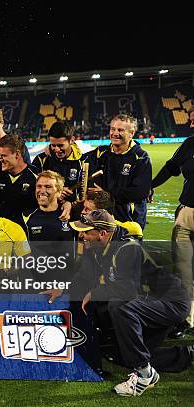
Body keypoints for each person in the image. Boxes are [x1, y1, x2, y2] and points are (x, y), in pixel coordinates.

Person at [51, 210, 191, 396]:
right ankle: (186, 354)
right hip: (148, 303)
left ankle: (143, 373)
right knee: (121, 354)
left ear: (102, 234)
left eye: (86, 231)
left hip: (171, 303)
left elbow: (127, 290)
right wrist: (64, 288)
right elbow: (84, 276)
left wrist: (94, 293)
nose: (81, 235)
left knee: (119, 305)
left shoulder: (126, 248)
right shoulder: (97, 248)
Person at [150, 105, 194, 334]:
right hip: (186, 214)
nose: (192, 122)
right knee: (183, 269)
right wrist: (150, 185)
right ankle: (187, 319)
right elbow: (171, 168)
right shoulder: (189, 143)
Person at [85, 114, 152, 230]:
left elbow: (140, 192)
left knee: (127, 248)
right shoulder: (101, 153)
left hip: (129, 221)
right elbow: (77, 159)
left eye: (120, 130)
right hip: (102, 218)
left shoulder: (141, 157)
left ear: (131, 133)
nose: (115, 133)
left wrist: (108, 194)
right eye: (113, 129)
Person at [22, 171, 77, 281]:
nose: (42, 191)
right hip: (36, 282)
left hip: (66, 283)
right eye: (39, 186)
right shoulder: (26, 217)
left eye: (48, 187)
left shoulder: (72, 215)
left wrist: (68, 204)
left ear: (59, 192)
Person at [0, 135, 39, 227]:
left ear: (17, 154)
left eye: (3, 156)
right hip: (1, 230)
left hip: (24, 232)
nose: (0, 159)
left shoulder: (36, 176)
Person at [31, 121, 85, 201]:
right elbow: (33, 189)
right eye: (53, 145)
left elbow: (84, 193)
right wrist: (57, 192)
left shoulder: (82, 162)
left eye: (60, 145)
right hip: (47, 210)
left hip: (73, 211)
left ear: (72, 140)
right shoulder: (41, 160)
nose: (56, 150)